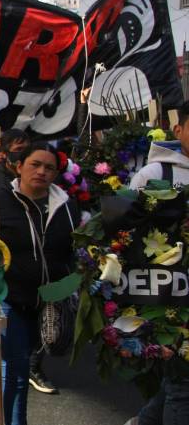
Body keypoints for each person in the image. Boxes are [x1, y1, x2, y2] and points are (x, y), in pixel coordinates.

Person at [0, 143, 81, 425]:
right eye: (35, 164)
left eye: (49, 168)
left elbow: (76, 250)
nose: (42, 172)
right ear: (18, 166)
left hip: (47, 302)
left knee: (16, 367)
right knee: (17, 371)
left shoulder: (67, 207)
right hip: (8, 298)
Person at [128, 102, 189, 425]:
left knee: (179, 381)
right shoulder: (154, 174)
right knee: (182, 381)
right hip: (168, 295)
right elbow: (120, 228)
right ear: (177, 130)